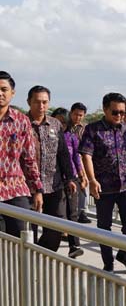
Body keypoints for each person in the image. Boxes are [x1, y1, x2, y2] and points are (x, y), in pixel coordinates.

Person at [79, 92, 126, 271]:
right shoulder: (93, 129)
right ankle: (108, 262)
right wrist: (92, 180)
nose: (120, 116)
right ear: (105, 110)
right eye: (115, 112)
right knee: (104, 226)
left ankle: (124, 252)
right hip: (103, 186)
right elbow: (86, 155)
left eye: (124, 112)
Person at [26, 86, 76, 251]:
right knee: (27, 228)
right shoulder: (21, 123)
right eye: (37, 102)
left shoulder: (55, 124)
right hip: (27, 186)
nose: (41, 106)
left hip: (53, 184)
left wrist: (70, 178)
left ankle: (41, 255)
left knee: (56, 227)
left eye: (45, 102)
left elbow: (63, 153)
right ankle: (29, 261)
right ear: (29, 102)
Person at [0, 71, 43, 236]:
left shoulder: (21, 121)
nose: (0, 93)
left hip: (15, 189)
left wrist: (37, 190)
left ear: (12, 93)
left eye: (4, 89)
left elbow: (29, 159)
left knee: (22, 238)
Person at [52, 107, 87, 258]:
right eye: (57, 122)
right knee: (59, 214)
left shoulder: (71, 137)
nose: (60, 125)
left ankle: (74, 246)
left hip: (71, 179)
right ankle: (51, 245)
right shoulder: (49, 136)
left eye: (63, 123)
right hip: (54, 180)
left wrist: (82, 175)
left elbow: (76, 159)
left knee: (73, 213)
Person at [67, 102, 91, 223]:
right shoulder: (65, 127)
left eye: (81, 115)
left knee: (83, 188)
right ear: (71, 113)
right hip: (69, 162)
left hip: (82, 161)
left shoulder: (85, 129)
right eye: (76, 114)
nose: (78, 117)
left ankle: (82, 211)